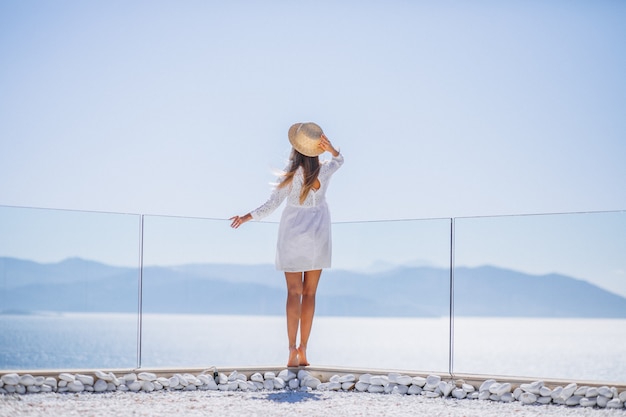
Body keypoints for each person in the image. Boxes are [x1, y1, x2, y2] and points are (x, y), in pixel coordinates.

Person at [230, 122, 344, 367]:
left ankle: (292, 350)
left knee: (294, 293)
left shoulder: (291, 175)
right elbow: (340, 161)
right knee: (310, 294)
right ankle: (304, 350)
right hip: (318, 234)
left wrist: (247, 217)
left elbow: (271, 205)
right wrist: (332, 150)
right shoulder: (324, 171)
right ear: (317, 148)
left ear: (296, 148)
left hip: (293, 233)